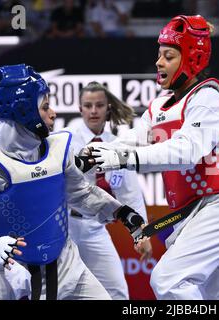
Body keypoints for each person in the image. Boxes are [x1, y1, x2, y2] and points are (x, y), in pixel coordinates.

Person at [84, 15, 219, 300]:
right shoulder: (158, 106)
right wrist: (94, 153)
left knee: (168, 281)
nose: (159, 62)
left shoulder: (207, 100)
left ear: (191, 58)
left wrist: (120, 157)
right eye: (159, 55)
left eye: (168, 56)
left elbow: (185, 152)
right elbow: (132, 140)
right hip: (193, 212)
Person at [0, 64, 145, 300]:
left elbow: (81, 194)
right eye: (45, 107)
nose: (53, 114)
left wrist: (120, 212)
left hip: (65, 268)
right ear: (24, 111)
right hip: (1, 276)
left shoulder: (60, 150)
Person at [67, 81, 152, 300]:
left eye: (99, 105)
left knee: (117, 293)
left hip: (94, 228)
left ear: (108, 108)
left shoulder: (117, 145)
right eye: (88, 105)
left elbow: (130, 193)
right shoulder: (66, 141)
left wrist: (141, 233)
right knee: (61, 291)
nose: (93, 111)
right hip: (64, 227)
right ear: (80, 109)